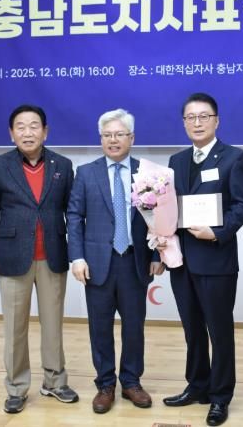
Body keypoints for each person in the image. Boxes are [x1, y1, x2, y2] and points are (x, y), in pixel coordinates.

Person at [0, 104, 79, 414]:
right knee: (14, 328)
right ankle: (17, 387)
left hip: (53, 256)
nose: (27, 132)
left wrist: (78, 253)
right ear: (11, 134)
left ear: (45, 132)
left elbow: (72, 213)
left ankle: (55, 382)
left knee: (53, 325)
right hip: (12, 258)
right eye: (20, 127)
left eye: (34, 126)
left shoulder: (63, 165)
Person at [67, 109, 164, 414]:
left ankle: (131, 382)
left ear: (131, 138)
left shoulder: (146, 173)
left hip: (134, 262)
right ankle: (105, 384)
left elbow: (158, 218)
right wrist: (77, 257)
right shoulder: (86, 173)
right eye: (107, 135)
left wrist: (157, 254)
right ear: (101, 139)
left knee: (134, 327)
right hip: (98, 263)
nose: (113, 140)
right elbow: (74, 217)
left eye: (119, 134)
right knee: (100, 327)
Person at [163, 92, 243, 426]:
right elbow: (166, 208)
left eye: (204, 116)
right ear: (184, 123)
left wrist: (217, 232)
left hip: (216, 260)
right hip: (181, 261)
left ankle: (220, 396)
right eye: (191, 117)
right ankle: (197, 385)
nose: (197, 123)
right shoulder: (176, 160)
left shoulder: (234, 157)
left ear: (217, 121)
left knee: (219, 331)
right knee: (192, 330)